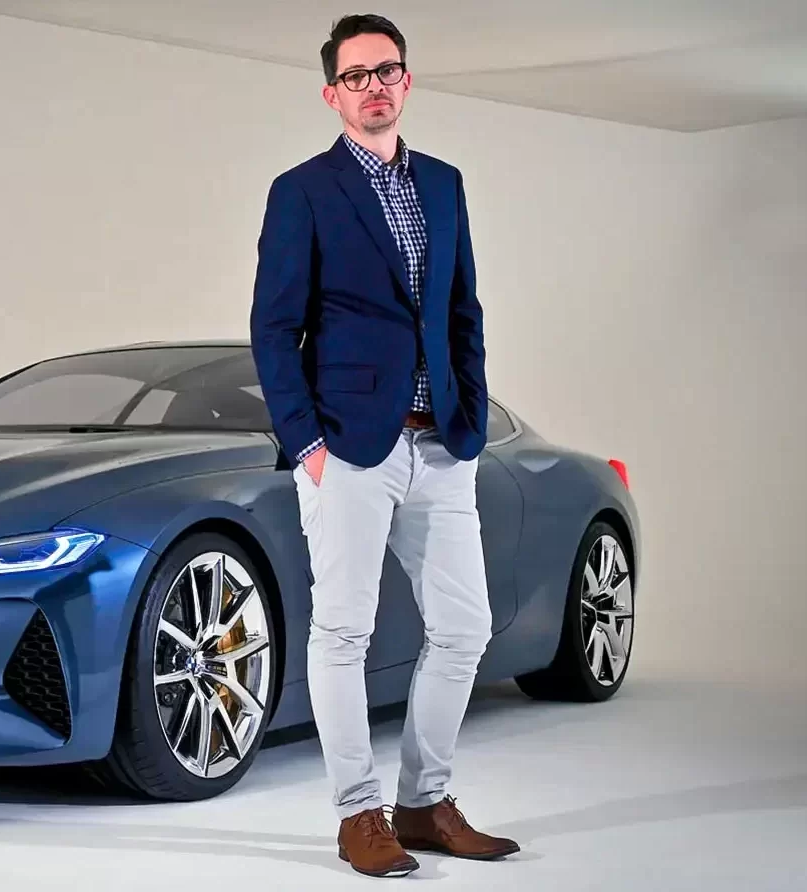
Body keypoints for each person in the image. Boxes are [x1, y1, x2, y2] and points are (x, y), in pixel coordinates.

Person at [248, 13, 521, 878]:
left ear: (407, 81)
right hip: (348, 447)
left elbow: (462, 311)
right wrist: (306, 443)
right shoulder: (303, 191)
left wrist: (469, 419)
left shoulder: (443, 182)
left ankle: (424, 803)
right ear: (332, 93)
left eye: (387, 70)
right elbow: (273, 328)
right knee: (343, 631)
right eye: (356, 75)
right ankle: (358, 814)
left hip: (440, 444)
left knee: (465, 627)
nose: (374, 86)